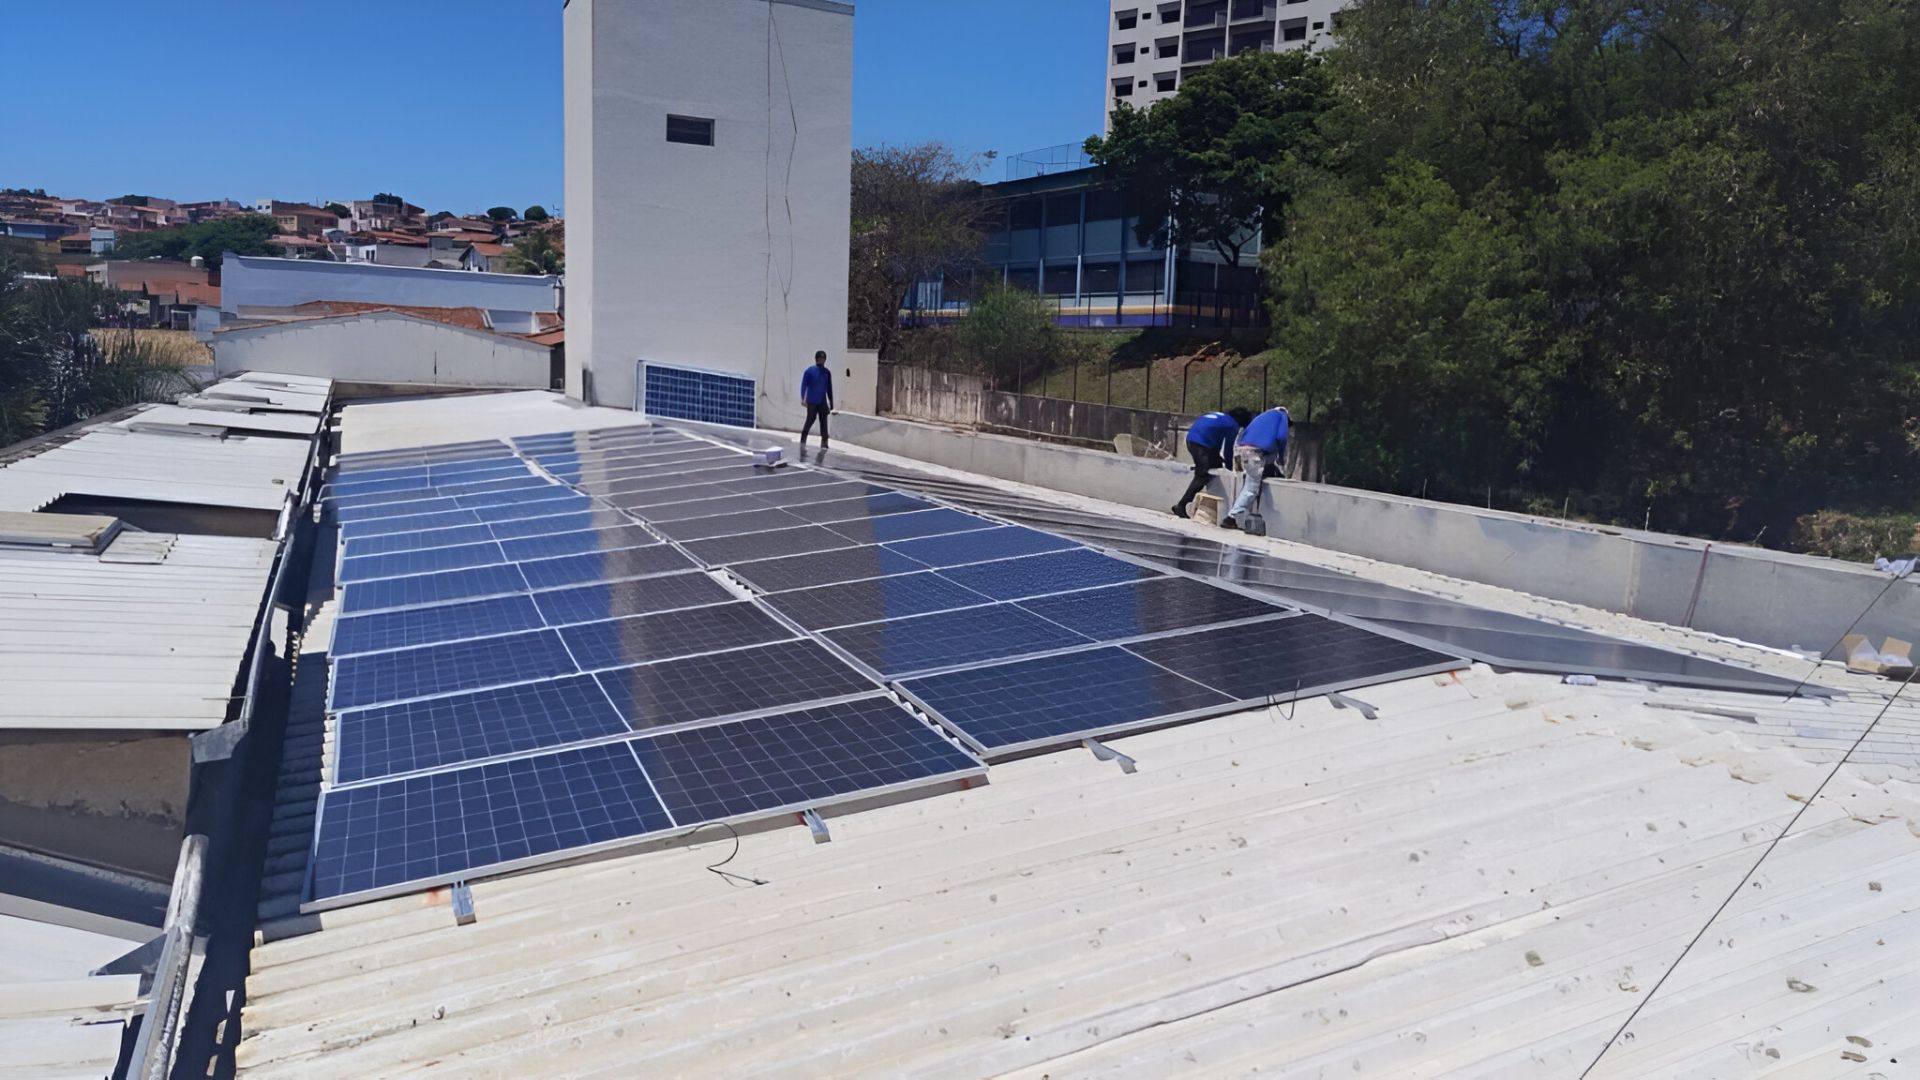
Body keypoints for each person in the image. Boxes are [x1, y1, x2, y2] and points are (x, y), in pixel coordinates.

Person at [1172, 407, 1252, 519]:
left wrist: (1218, 459)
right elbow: (1229, 449)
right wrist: (1230, 468)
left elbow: (1215, 440)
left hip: (1193, 439)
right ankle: (1181, 505)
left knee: (1215, 465)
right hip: (1200, 444)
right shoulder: (1232, 426)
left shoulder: (1221, 417)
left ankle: (1209, 501)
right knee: (1202, 475)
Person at [1226, 405, 1289, 530]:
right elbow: (1281, 437)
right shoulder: (1282, 416)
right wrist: (1281, 456)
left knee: (1242, 480)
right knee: (1251, 489)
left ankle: (1237, 512)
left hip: (1239, 450)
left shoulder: (1262, 416)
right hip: (1254, 453)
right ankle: (1230, 518)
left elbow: (1244, 432)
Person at [799, 349, 834, 449]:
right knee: (810, 419)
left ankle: (824, 442)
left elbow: (829, 388)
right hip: (812, 401)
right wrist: (803, 398)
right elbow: (804, 385)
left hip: (822, 401)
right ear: (816, 359)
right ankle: (803, 439)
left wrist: (831, 402)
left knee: (824, 421)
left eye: (823, 359)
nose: (821, 360)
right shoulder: (809, 371)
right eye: (820, 358)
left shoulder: (827, 373)